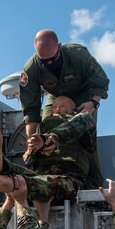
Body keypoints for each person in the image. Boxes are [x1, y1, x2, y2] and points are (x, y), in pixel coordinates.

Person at [19, 29, 109, 189]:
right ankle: (39, 176)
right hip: (55, 95)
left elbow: (100, 80)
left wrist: (93, 103)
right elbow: (30, 108)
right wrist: (31, 139)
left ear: (59, 47)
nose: (49, 64)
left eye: (52, 59)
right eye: (44, 61)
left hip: (84, 94)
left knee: (86, 133)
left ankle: (95, 183)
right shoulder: (31, 69)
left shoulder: (77, 54)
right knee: (45, 127)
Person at [0, 96, 96, 203]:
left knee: (45, 184)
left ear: (73, 110)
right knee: (18, 171)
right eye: (54, 107)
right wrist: (34, 149)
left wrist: (52, 138)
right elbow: (32, 160)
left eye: (63, 106)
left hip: (69, 180)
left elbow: (83, 121)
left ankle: (9, 182)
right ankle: (0, 168)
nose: (57, 109)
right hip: (40, 176)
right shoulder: (44, 126)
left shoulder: (83, 123)